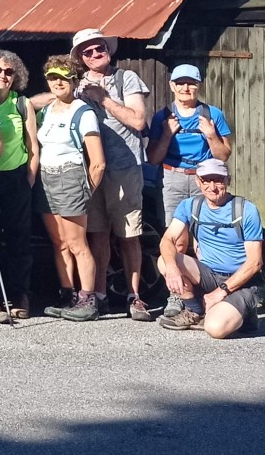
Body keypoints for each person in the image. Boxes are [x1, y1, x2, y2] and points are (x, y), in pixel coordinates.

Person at [70, 28, 154, 322]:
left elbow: (138, 120)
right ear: (80, 57)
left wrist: (103, 99)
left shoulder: (126, 78)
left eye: (99, 48)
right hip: (89, 168)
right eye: (88, 51)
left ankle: (134, 297)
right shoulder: (75, 85)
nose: (95, 54)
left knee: (129, 234)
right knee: (97, 234)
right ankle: (100, 296)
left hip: (124, 167)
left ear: (108, 49)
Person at [156, 159, 264, 337]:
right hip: (208, 273)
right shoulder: (190, 206)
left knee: (215, 329)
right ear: (198, 181)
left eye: (218, 180)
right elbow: (167, 240)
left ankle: (246, 312)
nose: (212, 187)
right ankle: (195, 311)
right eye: (206, 180)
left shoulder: (246, 210)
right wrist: (173, 268)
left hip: (242, 282)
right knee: (165, 261)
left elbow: (255, 263)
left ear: (228, 180)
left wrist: (219, 292)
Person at [35, 55, 104, 322]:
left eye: (63, 77)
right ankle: (68, 294)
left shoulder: (83, 112)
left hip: (70, 177)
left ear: (73, 79)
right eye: (52, 77)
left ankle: (88, 299)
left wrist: (85, 194)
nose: (57, 82)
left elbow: (97, 163)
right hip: (46, 177)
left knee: (77, 243)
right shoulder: (48, 109)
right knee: (59, 243)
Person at [148, 64, 234, 268]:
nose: (185, 88)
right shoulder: (162, 116)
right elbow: (152, 159)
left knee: (205, 234)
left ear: (199, 86)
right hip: (172, 178)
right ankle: (178, 292)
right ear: (172, 86)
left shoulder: (212, 114)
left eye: (191, 83)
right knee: (177, 237)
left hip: (204, 179)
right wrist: (167, 135)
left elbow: (223, 155)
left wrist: (211, 135)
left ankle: (207, 283)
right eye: (180, 83)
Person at [0, 49, 39, 319]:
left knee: (18, 239)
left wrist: (29, 178)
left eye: (9, 71)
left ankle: (18, 293)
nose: (3, 75)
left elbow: (32, 145)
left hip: (15, 178)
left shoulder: (21, 104)